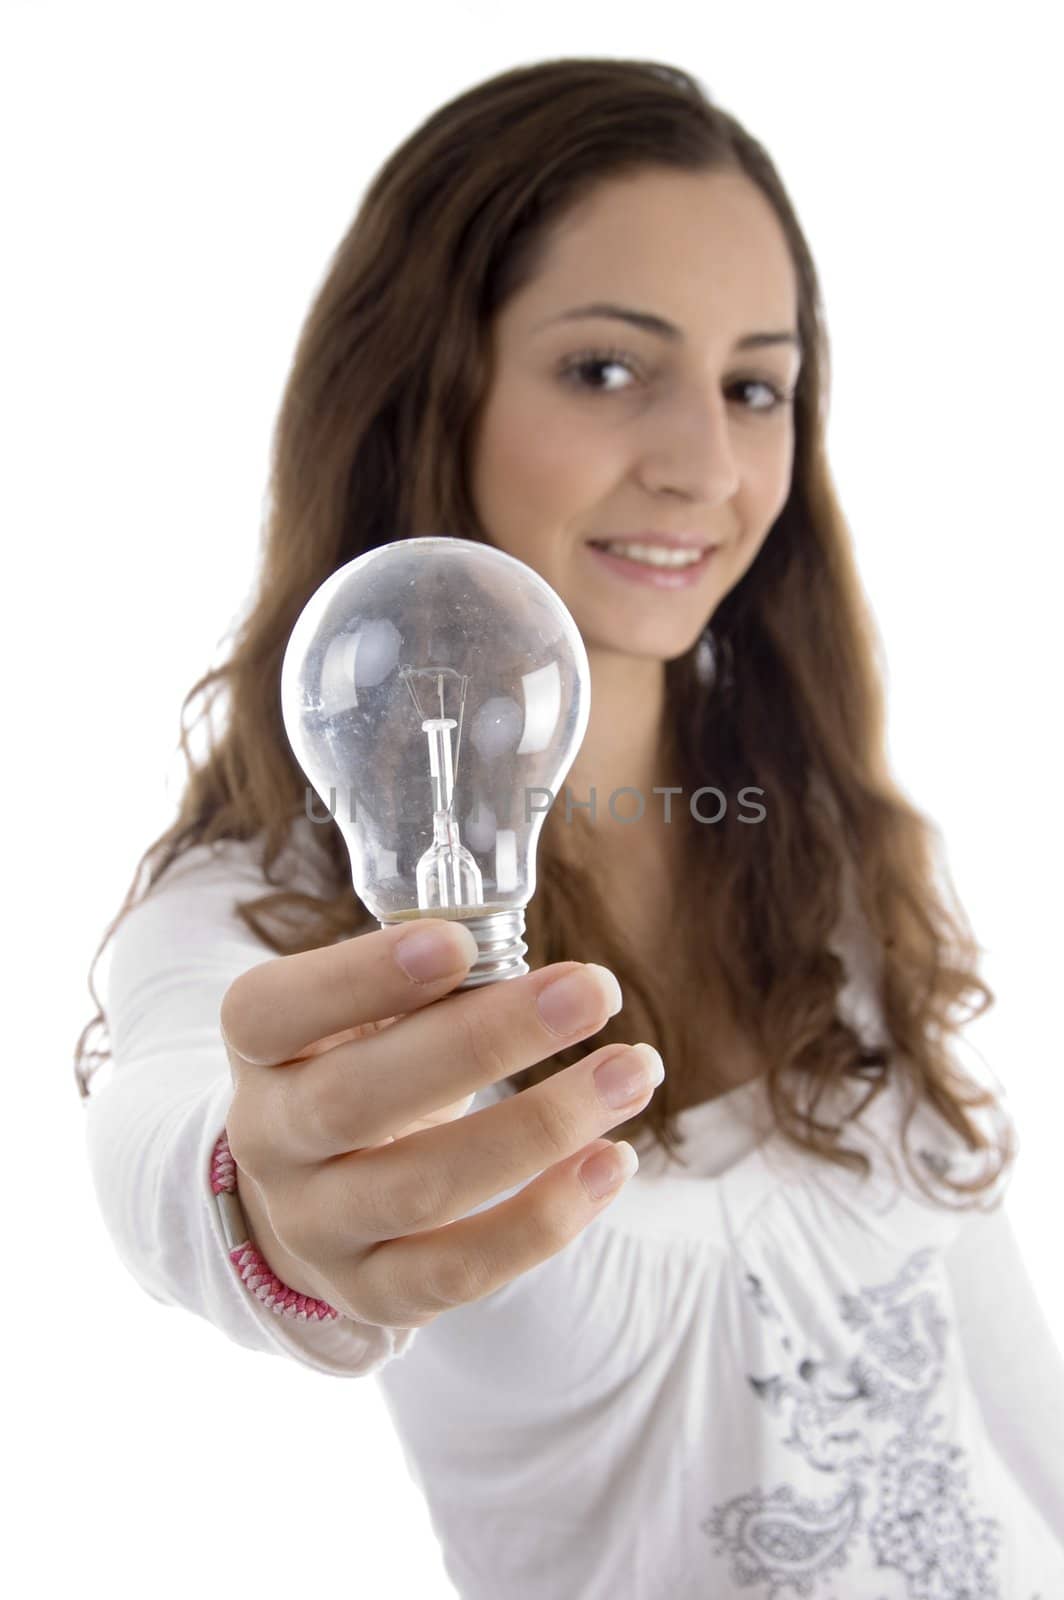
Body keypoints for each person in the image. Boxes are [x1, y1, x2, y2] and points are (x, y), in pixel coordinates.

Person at [75, 56, 1064, 1598]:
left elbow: (1006, 1394)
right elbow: (177, 1124)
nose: (707, 466)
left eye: (756, 385)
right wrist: (264, 1202)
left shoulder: (843, 862)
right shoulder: (277, 914)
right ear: (428, 381)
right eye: (608, 368)